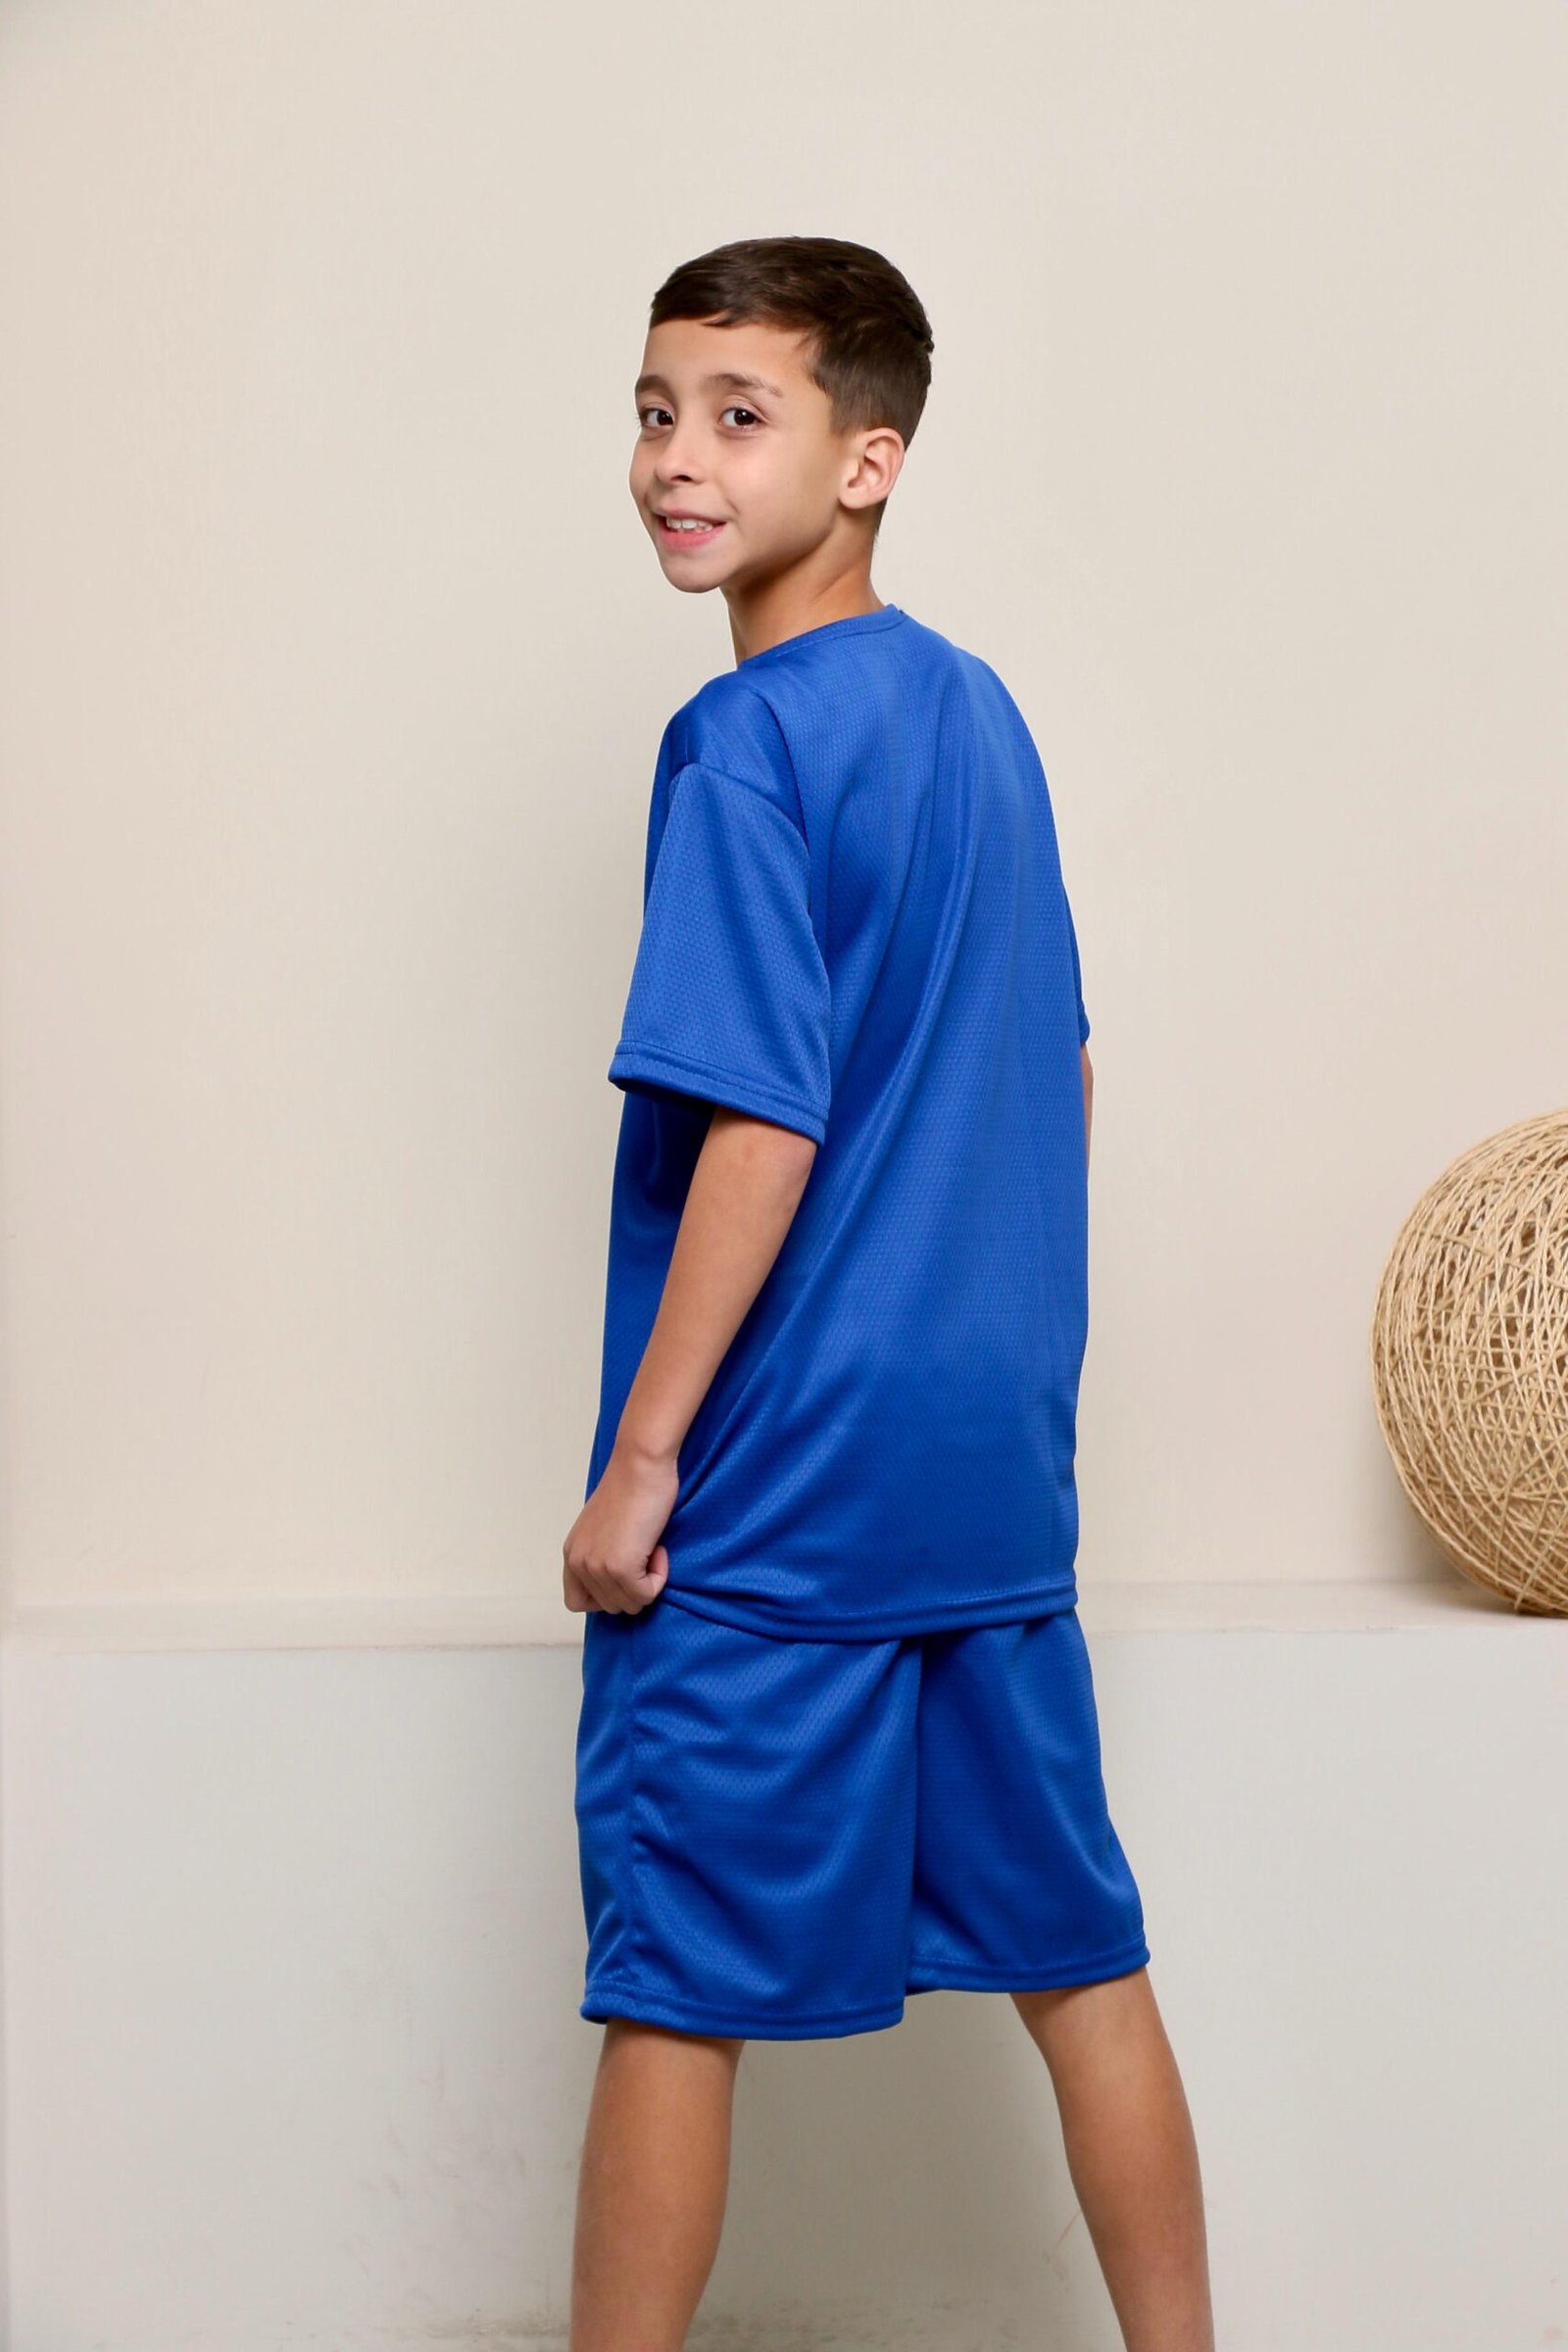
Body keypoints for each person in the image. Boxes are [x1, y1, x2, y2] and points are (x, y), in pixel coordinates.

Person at [562, 234, 1214, 2352]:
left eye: (736, 416)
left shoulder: (741, 740)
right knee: (1079, 1961)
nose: (677, 459)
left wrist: (644, 1463)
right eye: (654, 411)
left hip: (784, 1485)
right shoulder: (978, 713)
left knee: (674, 1980)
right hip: (986, 1472)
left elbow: (759, 1127)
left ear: (868, 459)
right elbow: (1064, 1070)